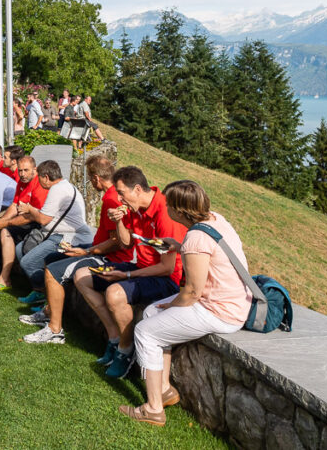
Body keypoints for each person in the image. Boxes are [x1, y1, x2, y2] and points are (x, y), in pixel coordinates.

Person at [119, 180, 252, 427]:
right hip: (231, 301)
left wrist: (170, 307)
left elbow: (191, 292)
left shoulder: (196, 238)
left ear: (179, 211)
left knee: (144, 332)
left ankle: (153, 410)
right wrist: (180, 248)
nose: (165, 206)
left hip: (220, 310)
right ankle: (165, 389)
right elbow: (207, 255)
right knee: (150, 312)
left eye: (169, 203)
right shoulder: (215, 220)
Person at [75, 166, 186, 376]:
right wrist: (118, 221)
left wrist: (125, 275)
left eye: (121, 193)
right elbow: (126, 244)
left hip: (165, 278)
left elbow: (167, 267)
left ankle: (125, 350)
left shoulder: (164, 212)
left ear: (137, 189)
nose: (119, 198)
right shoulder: (137, 209)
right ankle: (114, 337)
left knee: (114, 293)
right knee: (82, 276)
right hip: (142, 267)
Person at [17, 155, 129, 347]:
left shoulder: (110, 199)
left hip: (106, 257)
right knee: (51, 259)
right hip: (96, 248)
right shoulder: (112, 196)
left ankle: (54, 330)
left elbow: (116, 242)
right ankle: (48, 311)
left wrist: (87, 252)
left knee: (53, 270)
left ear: (95, 178)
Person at [14, 160, 94, 343]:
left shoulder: (57, 190)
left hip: (68, 238)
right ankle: (47, 307)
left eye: (39, 177)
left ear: (46, 177)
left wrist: (29, 209)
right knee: (31, 254)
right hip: (65, 235)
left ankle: (45, 300)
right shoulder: (67, 186)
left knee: (29, 262)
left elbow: (43, 219)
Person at [0, 155, 45, 290]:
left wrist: (5, 223)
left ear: (35, 169)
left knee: (5, 231)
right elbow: (14, 206)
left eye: (26, 170)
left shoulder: (39, 184)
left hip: (36, 223)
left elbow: (33, 217)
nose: (22, 174)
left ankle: (5, 279)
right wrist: (1, 220)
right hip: (24, 219)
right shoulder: (22, 183)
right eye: (20, 171)